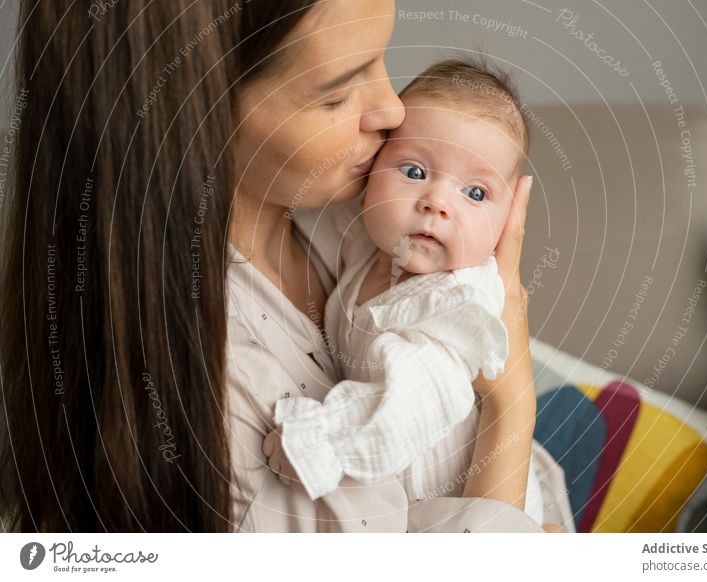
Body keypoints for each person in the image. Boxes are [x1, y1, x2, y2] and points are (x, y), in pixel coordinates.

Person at [0, 0, 571, 533]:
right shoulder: (217, 406)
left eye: (380, 60)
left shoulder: (343, 214)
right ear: (191, 117)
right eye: (337, 92)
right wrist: (511, 403)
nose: (394, 108)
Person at [264, 58, 567, 529]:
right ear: (370, 175)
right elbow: (301, 214)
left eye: (475, 194)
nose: (437, 203)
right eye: (414, 171)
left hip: (473, 506)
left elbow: (416, 401)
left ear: (510, 217)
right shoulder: (371, 242)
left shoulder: (455, 301)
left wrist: (322, 442)